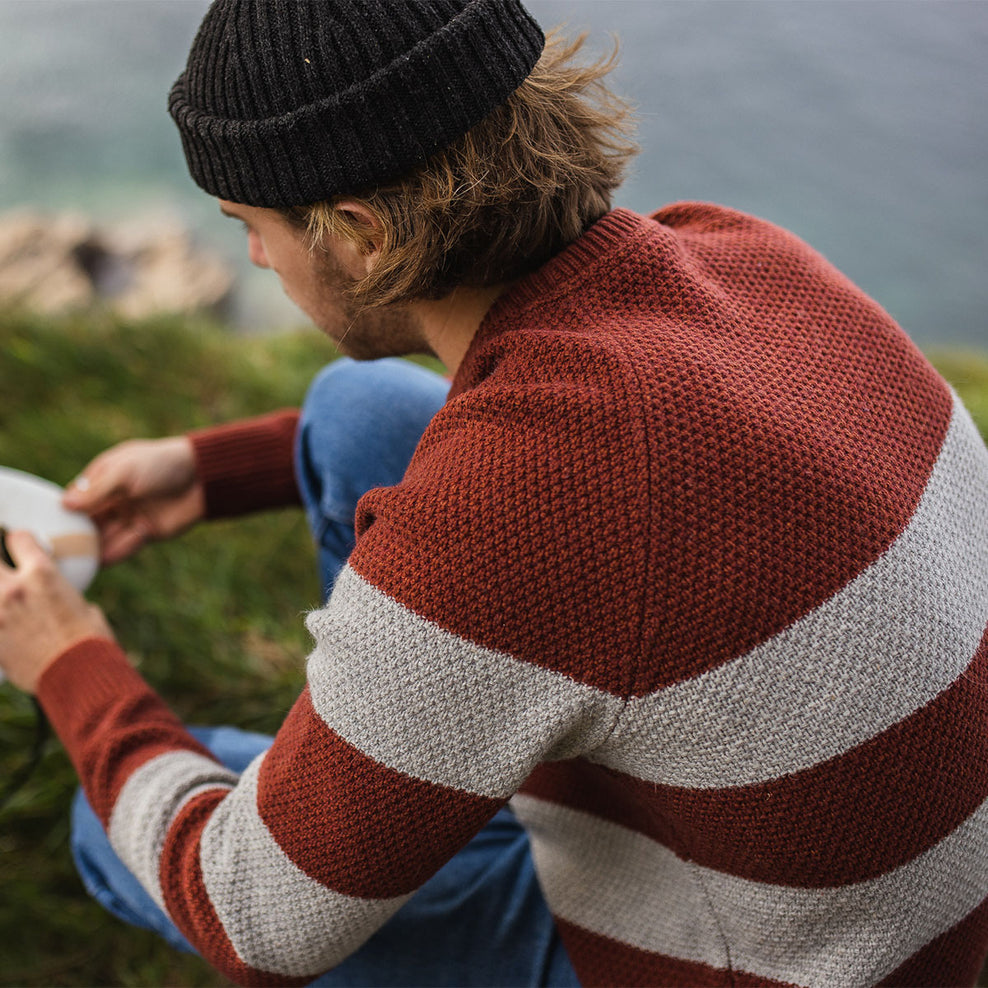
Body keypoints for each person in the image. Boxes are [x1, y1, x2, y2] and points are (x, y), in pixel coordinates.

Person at [1, 1, 987, 985]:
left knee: (115, 818)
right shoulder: (739, 255)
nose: (254, 258)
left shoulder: (516, 509)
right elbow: (575, 467)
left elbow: (250, 914)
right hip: (878, 905)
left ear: (359, 233)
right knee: (360, 410)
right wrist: (212, 472)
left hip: (736, 961)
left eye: (251, 228)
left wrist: (68, 661)